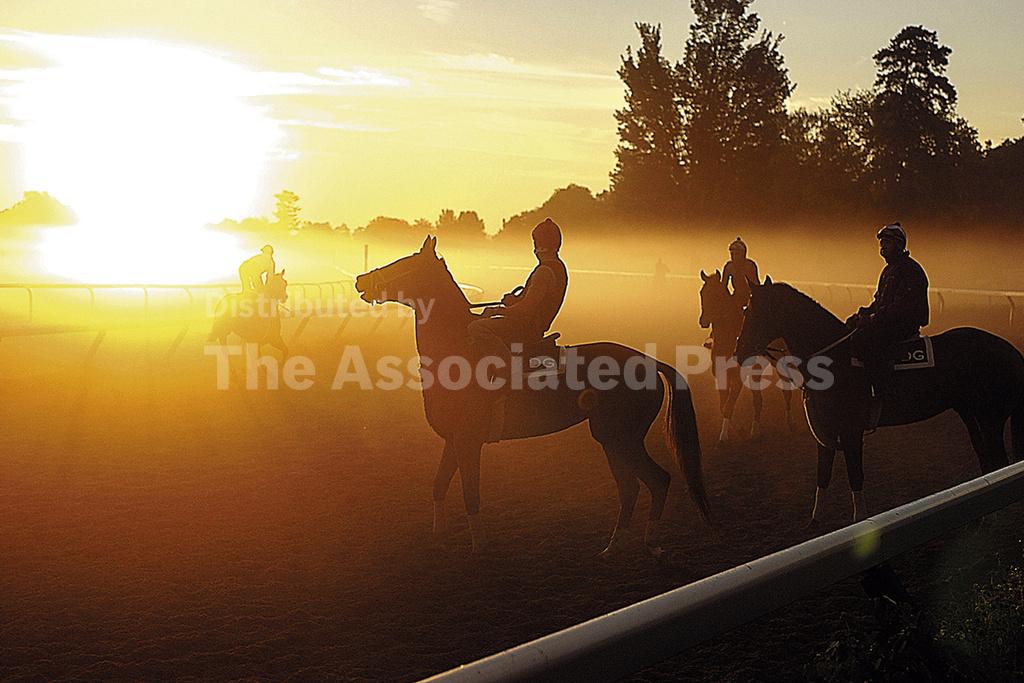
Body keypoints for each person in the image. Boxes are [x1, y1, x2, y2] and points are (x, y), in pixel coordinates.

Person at [468, 218, 568, 381]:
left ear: (539, 245)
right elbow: (535, 301)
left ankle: (507, 371)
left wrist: (496, 310)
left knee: (477, 327)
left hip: (525, 329)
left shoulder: (543, 272)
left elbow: (526, 309)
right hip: (531, 326)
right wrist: (514, 300)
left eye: (535, 242)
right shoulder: (559, 267)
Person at [845, 222, 929, 402]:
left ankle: (881, 391)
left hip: (903, 325)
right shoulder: (889, 270)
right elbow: (879, 303)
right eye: (881, 243)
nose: (882, 246)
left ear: (899, 245)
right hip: (888, 321)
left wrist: (871, 319)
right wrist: (863, 314)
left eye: (887, 242)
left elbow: (901, 308)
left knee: (866, 341)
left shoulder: (910, 270)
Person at [722, 237, 759, 305]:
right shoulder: (729, 267)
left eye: (736, 254)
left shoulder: (750, 265)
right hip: (735, 297)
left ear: (743, 254)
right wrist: (728, 298)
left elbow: (756, 284)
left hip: (749, 297)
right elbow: (723, 286)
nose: (733, 256)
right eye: (732, 254)